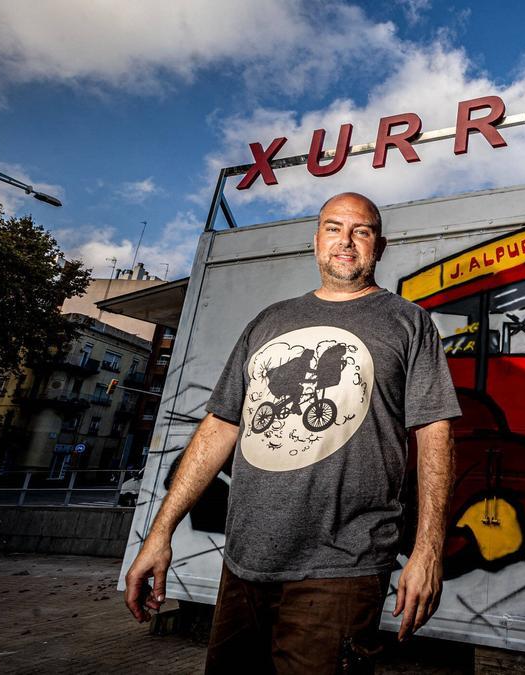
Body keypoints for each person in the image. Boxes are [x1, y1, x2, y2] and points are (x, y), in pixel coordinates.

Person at [124, 193, 461, 673]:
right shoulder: (269, 321)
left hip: (344, 564)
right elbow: (220, 426)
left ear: (379, 246)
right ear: (315, 240)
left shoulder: (408, 323)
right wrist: (159, 533)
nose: (345, 241)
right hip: (245, 561)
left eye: (360, 231)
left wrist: (428, 551)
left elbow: (435, 434)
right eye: (333, 228)